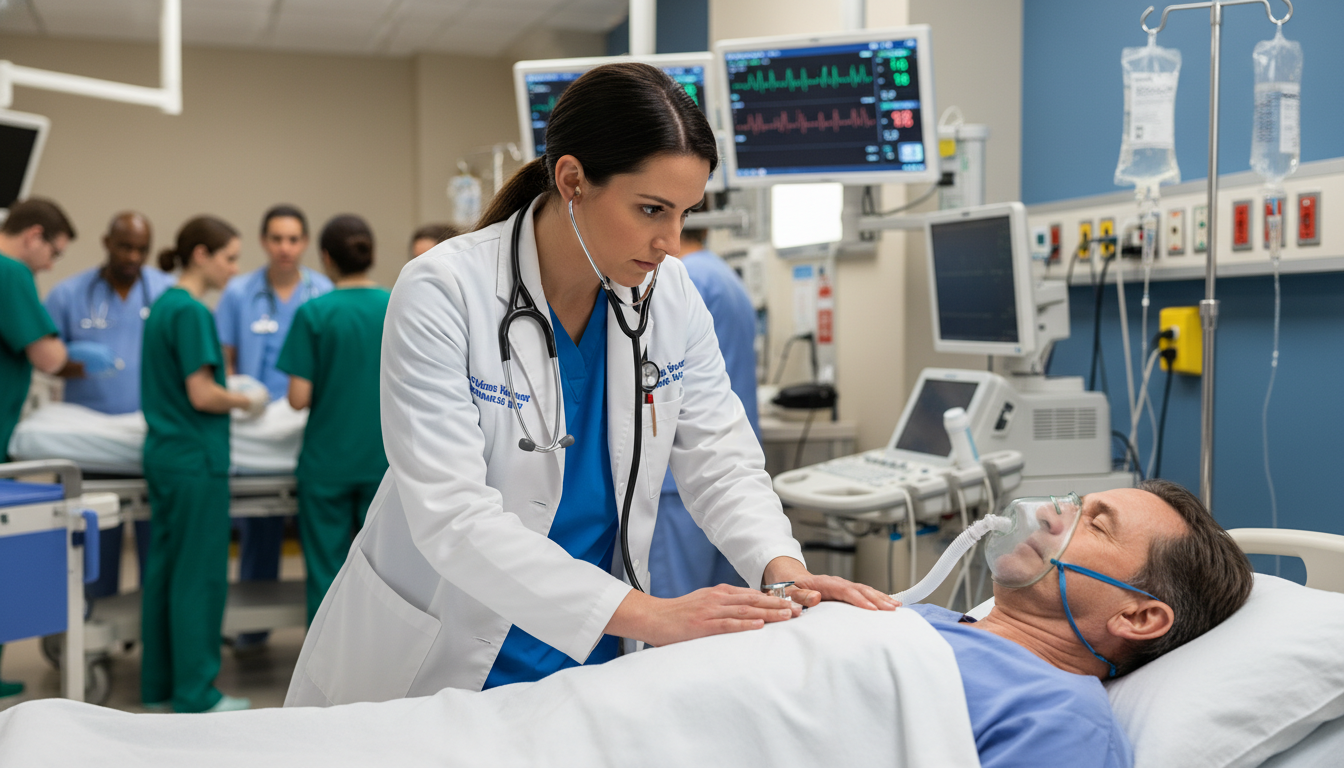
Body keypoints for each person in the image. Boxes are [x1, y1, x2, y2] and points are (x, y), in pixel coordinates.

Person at [286, 62, 895, 708]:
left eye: (685, 214)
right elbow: (452, 516)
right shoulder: (445, 289)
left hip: (594, 652)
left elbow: (721, 459)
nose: (670, 242)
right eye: (651, 210)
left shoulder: (671, 295)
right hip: (447, 654)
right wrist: (654, 616)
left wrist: (783, 567)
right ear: (572, 179)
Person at [908, 480, 1254, 767]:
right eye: (1075, 505)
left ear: (1137, 617)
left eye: (1096, 524)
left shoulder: (1058, 720)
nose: (1045, 512)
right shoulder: (923, 616)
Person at [140, 215, 266, 713]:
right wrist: (246, 401)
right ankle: (195, 694)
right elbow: (202, 394)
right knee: (199, 579)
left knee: (166, 573)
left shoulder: (163, 307)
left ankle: (159, 687)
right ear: (200, 254)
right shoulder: (190, 312)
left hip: (166, 457)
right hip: (195, 462)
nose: (235, 269)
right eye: (229, 257)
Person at [214, 205, 332, 649]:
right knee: (258, 531)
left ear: (305, 243)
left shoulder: (321, 291)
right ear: (264, 241)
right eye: (277, 239)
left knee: (321, 540)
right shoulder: (238, 293)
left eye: (294, 239)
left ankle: (323, 632)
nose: (285, 248)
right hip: (255, 422)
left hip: (306, 421)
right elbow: (225, 361)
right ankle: (251, 630)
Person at [44, 211, 175, 599]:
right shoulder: (67, 294)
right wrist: (71, 359)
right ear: (106, 243)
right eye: (125, 246)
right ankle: (93, 634)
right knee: (94, 547)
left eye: (141, 249)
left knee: (158, 549)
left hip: (148, 440)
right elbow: (43, 360)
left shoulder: (167, 293)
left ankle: (150, 632)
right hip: (91, 446)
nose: (133, 256)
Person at [276, 215, 391, 623]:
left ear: (325, 258)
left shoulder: (314, 314)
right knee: (384, 575)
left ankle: (325, 676)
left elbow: (297, 398)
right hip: (384, 464)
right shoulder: (396, 304)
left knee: (327, 572)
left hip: (327, 466)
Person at [648, 228, 758, 598]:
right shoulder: (724, 276)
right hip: (724, 468)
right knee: (726, 618)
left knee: (676, 622)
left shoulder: (678, 279)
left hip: (677, 479)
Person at [0, 197, 79, 699]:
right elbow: (49, 356)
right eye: (54, 251)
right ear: (34, 236)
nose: (52, 263)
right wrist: (79, 357)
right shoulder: (10, 273)